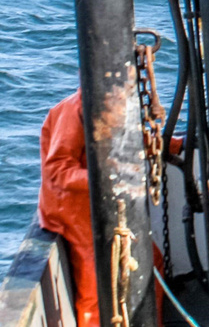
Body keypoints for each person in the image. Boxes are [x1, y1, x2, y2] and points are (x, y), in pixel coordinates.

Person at [38, 89, 169, 327]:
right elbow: (56, 171)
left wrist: (173, 145)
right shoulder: (73, 111)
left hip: (104, 204)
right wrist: (106, 180)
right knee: (96, 280)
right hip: (71, 209)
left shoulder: (114, 104)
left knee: (152, 260)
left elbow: (130, 141)